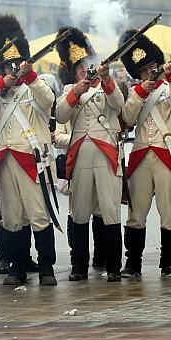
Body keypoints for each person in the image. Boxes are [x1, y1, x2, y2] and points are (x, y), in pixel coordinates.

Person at [0, 14, 57, 286]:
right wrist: (3, 82)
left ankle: (47, 267)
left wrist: (30, 76)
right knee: (12, 217)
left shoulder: (35, 88)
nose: (13, 69)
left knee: (39, 214)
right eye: (8, 66)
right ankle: (16, 267)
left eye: (16, 64)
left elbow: (49, 100)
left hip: (31, 158)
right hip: (6, 159)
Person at [56, 27, 124, 282]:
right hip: (81, 153)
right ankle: (79, 265)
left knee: (109, 208)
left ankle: (114, 265)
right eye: (81, 68)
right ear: (75, 71)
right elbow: (61, 115)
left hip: (105, 152)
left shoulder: (106, 87)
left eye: (88, 66)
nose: (86, 70)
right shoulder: (69, 91)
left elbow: (118, 104)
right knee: (80, 209)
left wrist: (107, 80)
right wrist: (77, 91)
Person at [120, 33, 171, 277]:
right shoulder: (134, 92)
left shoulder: (170, 87)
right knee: (136, 214)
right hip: (141, 155)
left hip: (166, 155)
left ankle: (168, 260)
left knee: (169, 211)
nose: (149, 72)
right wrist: (139, 93)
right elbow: (127, 119)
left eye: (151, 67)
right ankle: (133, 262)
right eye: (144, 70)